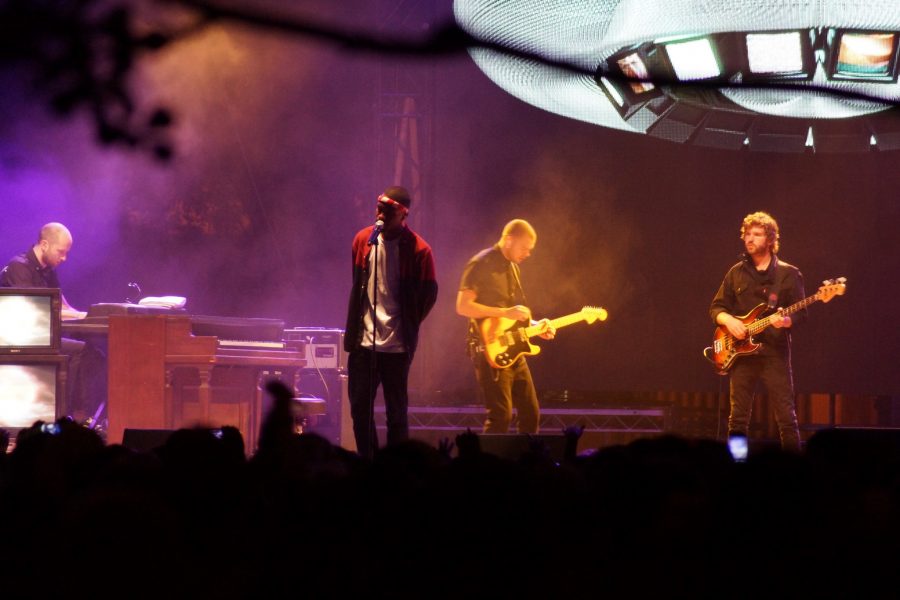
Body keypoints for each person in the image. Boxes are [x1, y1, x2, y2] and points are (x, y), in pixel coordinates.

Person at [344, 186, 437, 459]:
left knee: (397, 413)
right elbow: (357, 286)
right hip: (364, 344)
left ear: (403, 214)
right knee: (360, 410)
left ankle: (396, 469)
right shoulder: (364, 240)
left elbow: (429, 294)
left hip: (397, 347)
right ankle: (368, 464)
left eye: (387, 211)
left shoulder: (420, 250)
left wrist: (408, 323)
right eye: (379, 208)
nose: (379, 214)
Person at [709, 211, 805, 452]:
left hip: (775, 354)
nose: (750, 239)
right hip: (740, 354)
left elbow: (801, 314)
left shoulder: (789, 274)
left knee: (786, 417)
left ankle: (795, 470)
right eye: (747, 234)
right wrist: (730, 322)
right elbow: (716, 308)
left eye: (757, 234)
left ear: (770, 239)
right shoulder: (736, 272)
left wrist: (785, 322)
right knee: (738, 419)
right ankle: (737, 464)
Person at [456, 219, 555, 434]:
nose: (527, 254)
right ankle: (490, 466)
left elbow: (511, 318)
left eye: (530, 250)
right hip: (488, 350)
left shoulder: (513, 269)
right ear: (509, 240)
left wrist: (537, 326)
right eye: (524, 248)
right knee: (501, 416)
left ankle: (525, 465)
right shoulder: (480, 263)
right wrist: (504, 313)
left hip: (512, 350)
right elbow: (463, 307)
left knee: (530, 413)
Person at [1, 222, 105, 422]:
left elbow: (62, 306)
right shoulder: (18, 267)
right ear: (44, 244)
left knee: (94, 354)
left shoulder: (48, 270)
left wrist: (87, 315)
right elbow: (37, 311)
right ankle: (68, 416)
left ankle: (83, 415)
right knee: (79, 352)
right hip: (18, 341)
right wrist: (80, 317)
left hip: (40, 337)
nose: (64, 258)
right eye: (61, 252)